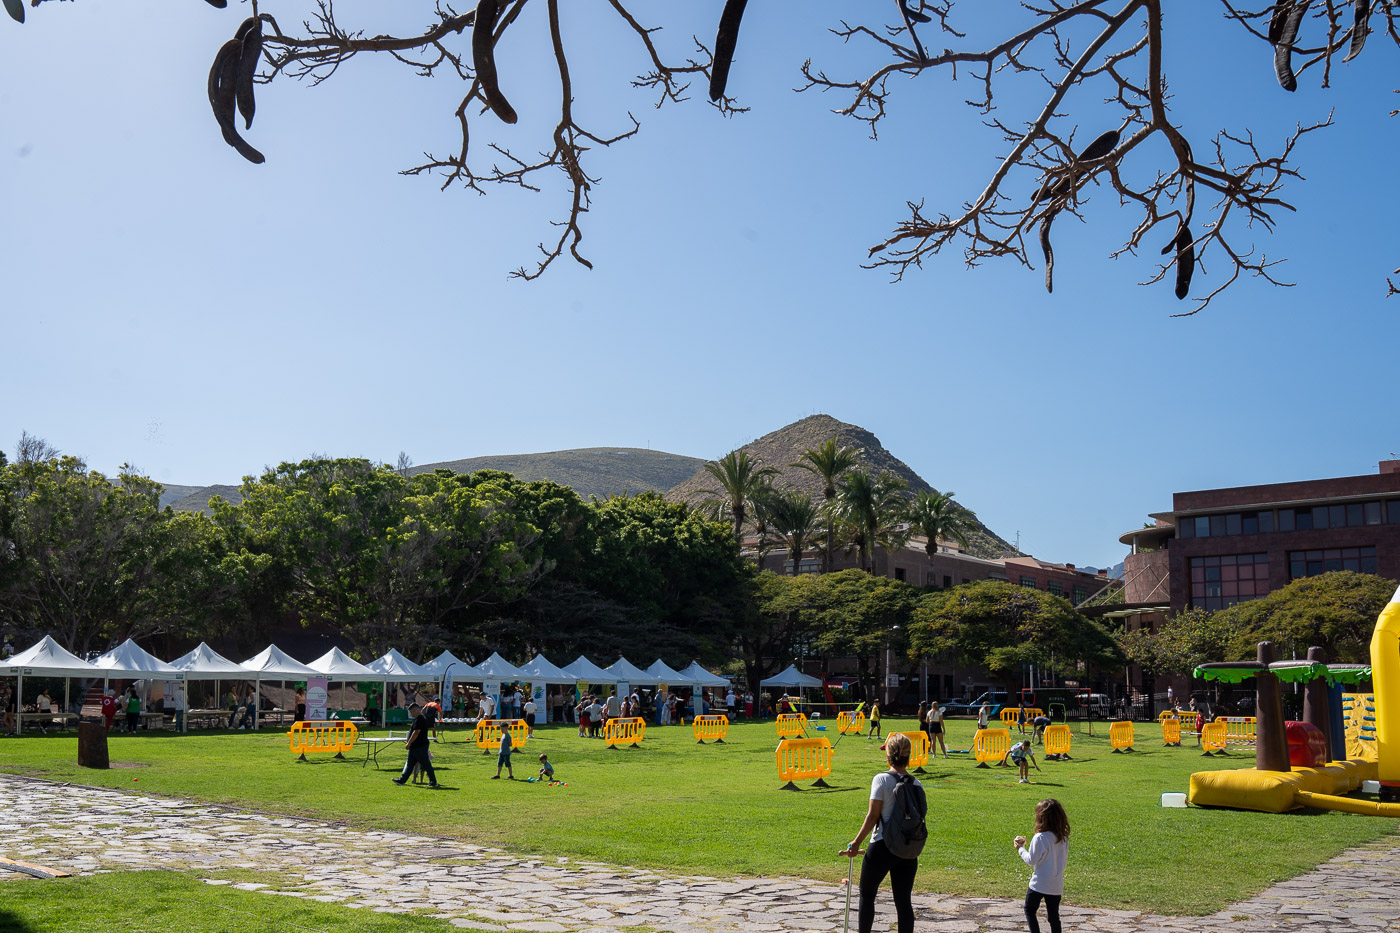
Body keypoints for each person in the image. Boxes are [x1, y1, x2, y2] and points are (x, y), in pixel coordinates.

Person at [839, 732, 922, 933]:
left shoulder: (881, 780)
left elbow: (873, 816)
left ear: (888, 755)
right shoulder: (916, 784)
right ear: (908, 756)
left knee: (867, 894)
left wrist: (856, 842)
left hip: (882, 846)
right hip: (907, 849)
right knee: (903, 902)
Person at [1014, 799, 1070, 933]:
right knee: (1054, 917)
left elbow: (1031, 860)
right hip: (1056, 884)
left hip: (1039, 883)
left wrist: (1020, 848)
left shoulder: (1040, 837)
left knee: (1029, 910)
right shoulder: (1063, 837)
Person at [393, 702, 438, 788]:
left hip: (420, 746)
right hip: (415, 747)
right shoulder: (418, 719)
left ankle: (433, 781)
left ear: (415, 710)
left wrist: (409, 743)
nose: (411, 714)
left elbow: (416, 732)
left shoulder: (420, 719)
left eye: (411, 712)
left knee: (426, 764)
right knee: (410, 765)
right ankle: (402, 780)